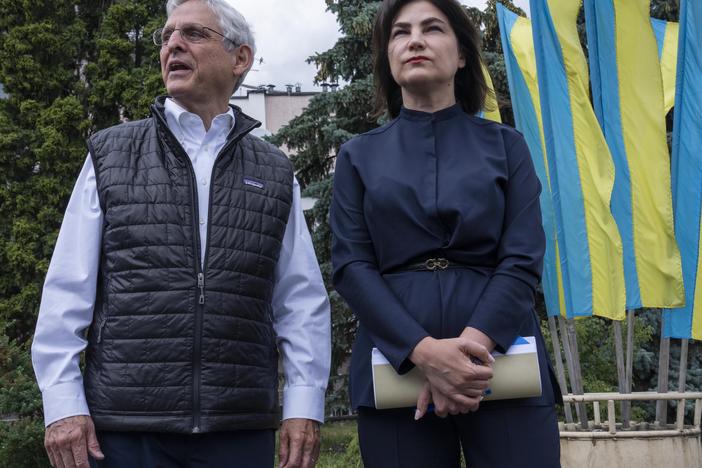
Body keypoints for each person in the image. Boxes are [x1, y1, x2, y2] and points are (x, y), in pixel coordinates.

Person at [31, 1, 331, 467]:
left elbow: (300, 301)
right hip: (126, 428)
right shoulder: (111, 154)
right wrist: (63, 404)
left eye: (194, 33)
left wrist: (304, 405)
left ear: (240, 58)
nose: (173, 44)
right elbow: (67, 289)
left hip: (238, 426)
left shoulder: (274, 171)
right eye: (167, 35)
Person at [330, 0, 562, 466]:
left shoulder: (507, 145)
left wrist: (467, 356)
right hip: (396, 364)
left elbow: (522, 258)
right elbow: (352, 266)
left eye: (431, 28)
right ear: (388, 59)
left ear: (460, 56)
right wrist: (424, 353)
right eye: (400, 33)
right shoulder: (357, 156)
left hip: (503, 357)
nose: (414, 40)